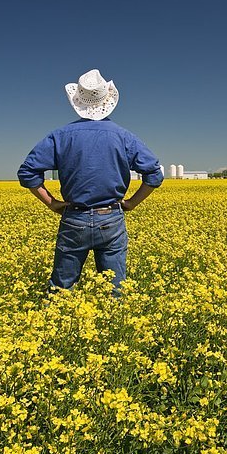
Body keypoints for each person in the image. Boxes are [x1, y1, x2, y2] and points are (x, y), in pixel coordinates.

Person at [17, 69, 164, 297]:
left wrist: (51, 203)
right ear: (107, 100)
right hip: (112, 217)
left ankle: (54, 327)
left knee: (61, 290)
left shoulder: (60, 136)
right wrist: (132, 203)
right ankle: (115, 328)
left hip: (75, 217)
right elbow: (154, 174)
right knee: (114, 291)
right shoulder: (123, 136)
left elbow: (27, 173)